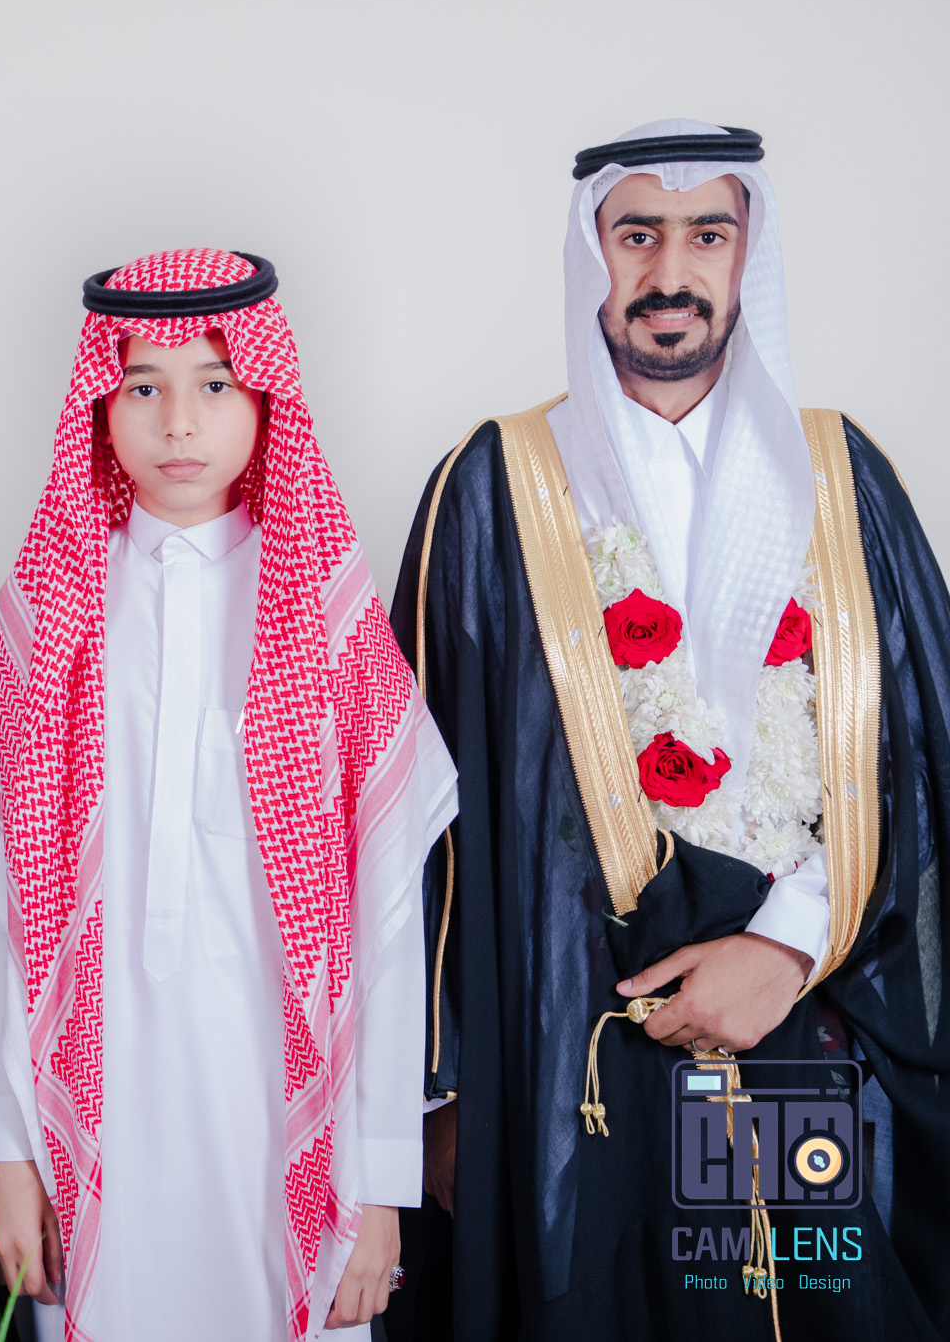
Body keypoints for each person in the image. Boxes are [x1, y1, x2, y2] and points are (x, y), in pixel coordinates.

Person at [391, 121, 950, 1340]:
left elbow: (919, 761)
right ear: (589, 253)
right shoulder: (492, 488)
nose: (669, 272)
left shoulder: (841, 481)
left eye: (707, 235)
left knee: (798, 1304)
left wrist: (787, 945)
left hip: (800, 1023)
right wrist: (433, 1100)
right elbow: (417, 821)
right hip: (575, 1061)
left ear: (748, 255)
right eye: (635, 234)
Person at [0, 248, 458, 1342]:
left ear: (265, 398)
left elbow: (387, 920)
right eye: (143, 387)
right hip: (98, 1109)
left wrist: (380, 1181)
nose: (178, 422)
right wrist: (10, 1152)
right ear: (101, 408)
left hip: (286, 1115)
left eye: (214, 384)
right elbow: (3, 922)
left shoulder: (328, 616)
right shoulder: (42, 621)